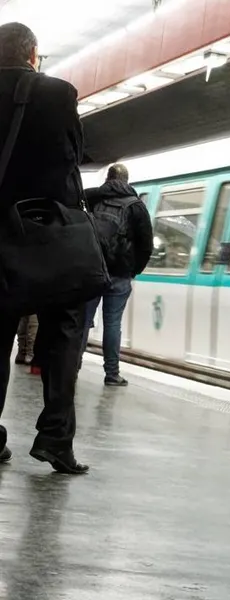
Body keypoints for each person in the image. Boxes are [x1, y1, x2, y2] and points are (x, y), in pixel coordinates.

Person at [0, 22, 90, 474]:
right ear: (33, 54)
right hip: (50, 235)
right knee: (63, 339)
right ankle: (55, 440)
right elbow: (69, 161)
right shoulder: (59, 94)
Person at [80, 163, 153, 386]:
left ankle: (72, 366)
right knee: (112, 324)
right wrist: (133, 270)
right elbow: (146, 245)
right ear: (127, 181)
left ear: (108, 179)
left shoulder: (92, 199)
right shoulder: (136, 206)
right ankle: (112, 374)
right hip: (120, 274)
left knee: (83, 321)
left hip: (94, 270)